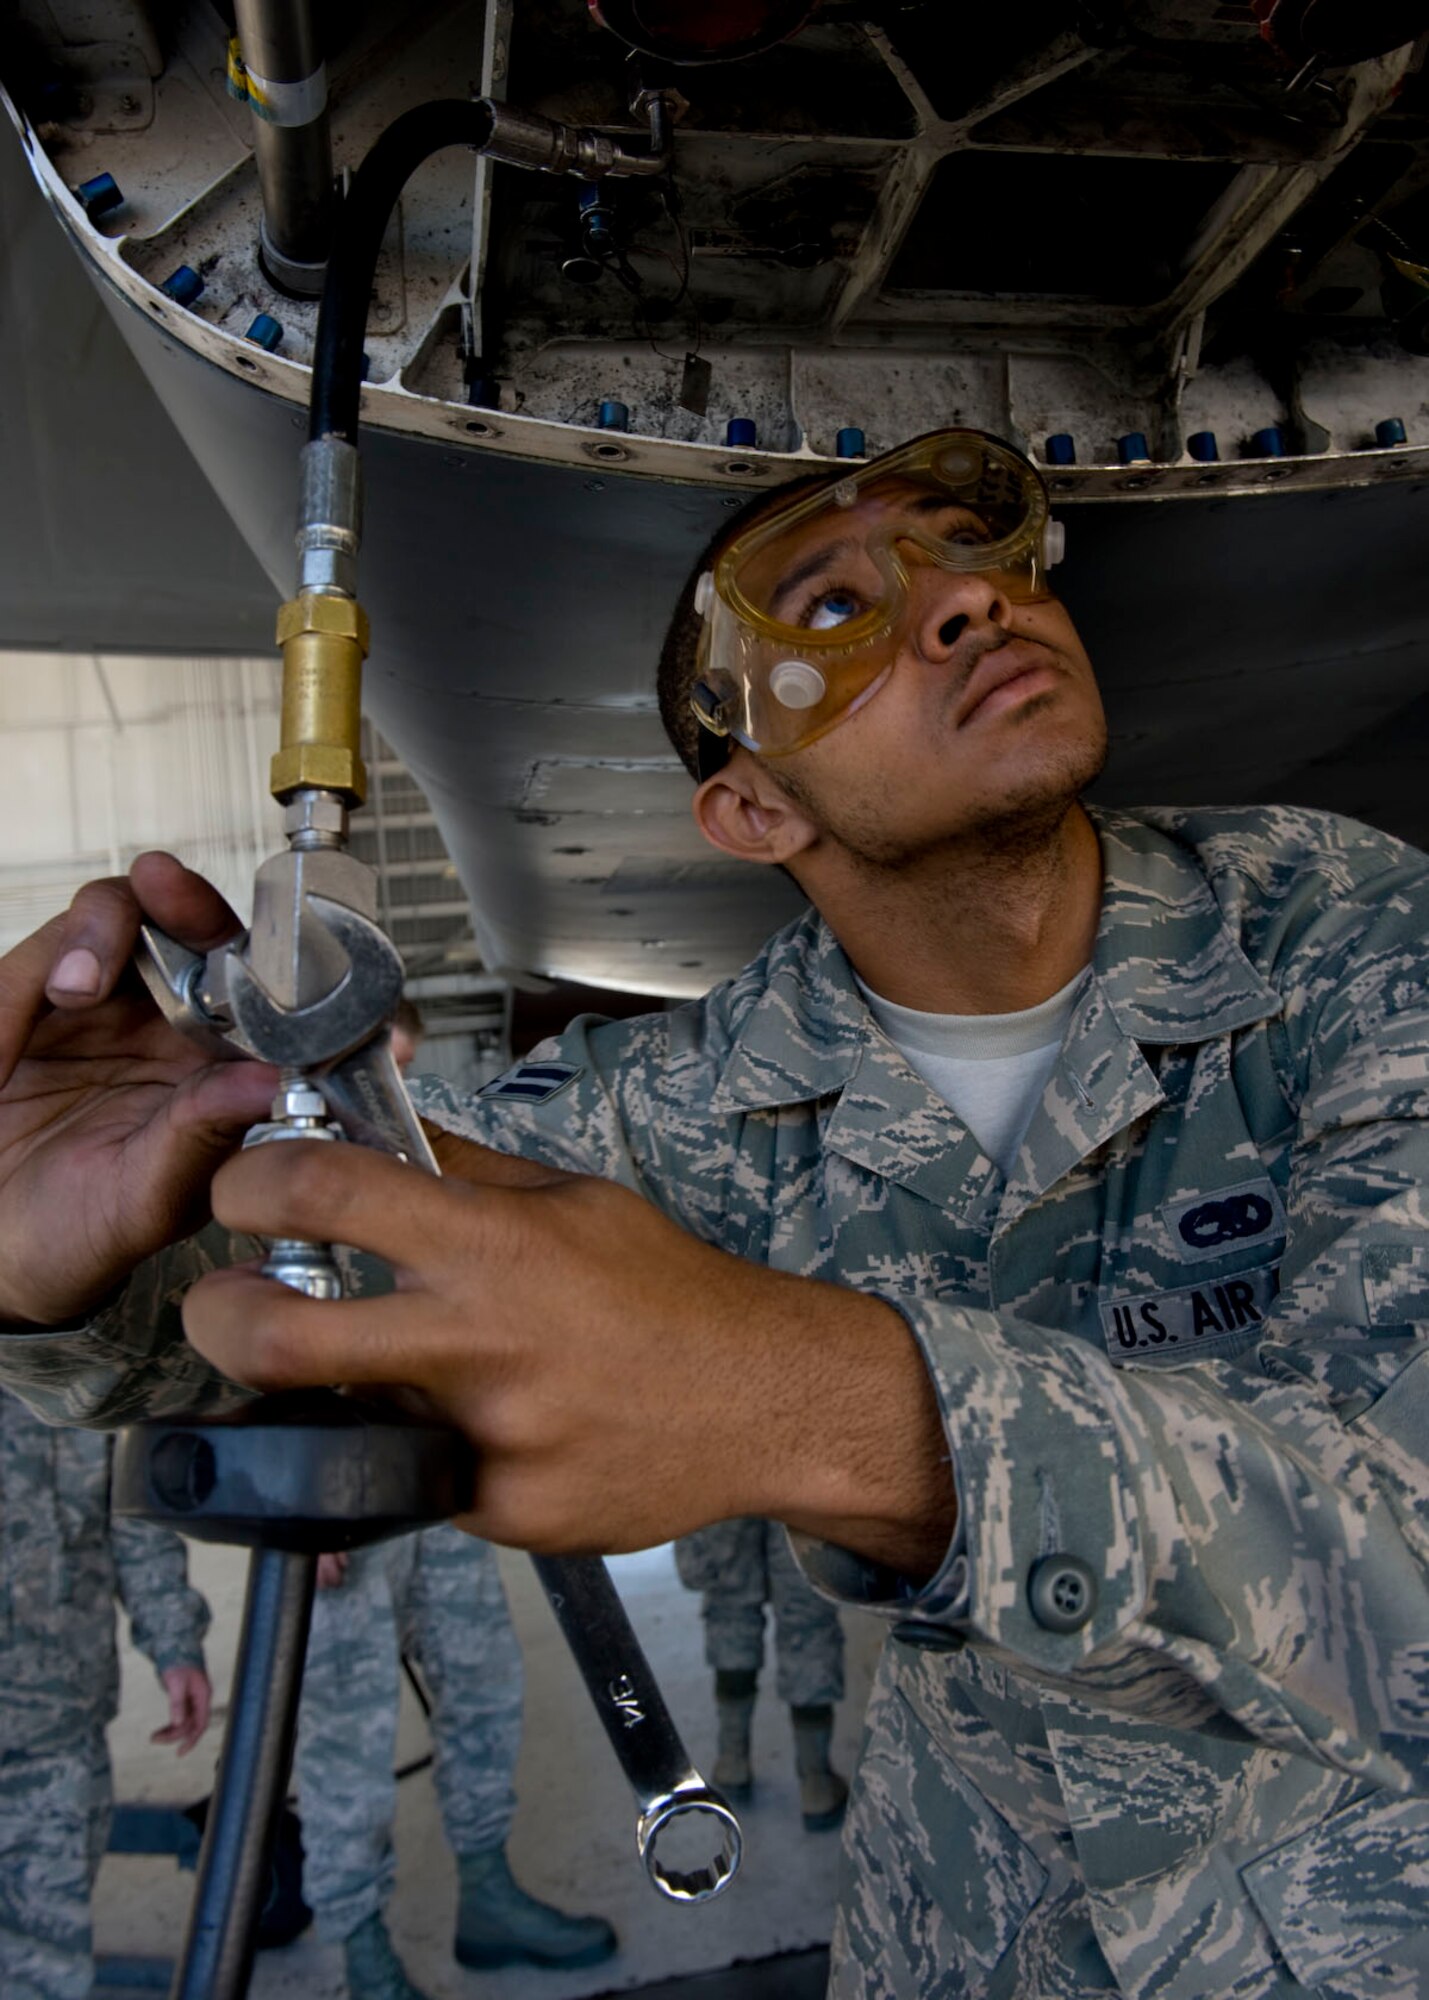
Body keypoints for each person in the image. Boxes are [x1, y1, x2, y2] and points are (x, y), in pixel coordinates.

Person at [0, 426, 1426, 1998]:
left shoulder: (1349, 942)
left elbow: (1397, 1560)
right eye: (832, 609)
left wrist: (803, 1405)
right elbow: (314, 1295)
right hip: (962, 1930)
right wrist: (66, 1271)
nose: (964, 604)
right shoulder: (672, 1108)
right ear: (750, 812)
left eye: (973, 548)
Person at [297, 1000, 616, 1999]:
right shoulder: (284, 1152)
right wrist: (302, 1494)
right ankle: (359, 1946)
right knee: (345, 1734)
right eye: (372, 1066)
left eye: (397, 1064)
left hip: (440, 1479)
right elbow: (246, 1326)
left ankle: (486, 1895)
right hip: (339, 1492)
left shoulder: (427, 1139)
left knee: (484, 1687)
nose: (387, 1086)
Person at [0, 1385, 211, 2000]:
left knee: (48, 1951)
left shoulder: (72, 1374)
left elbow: (133, 1524)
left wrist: (177, 1649)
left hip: (58, 1724)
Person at [674, 1516, 849, 1827]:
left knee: (731, 1605)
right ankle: (816, 1782)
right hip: (800, 1477)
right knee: (807, 1621)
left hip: (727, 1473)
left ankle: (732, 1762)